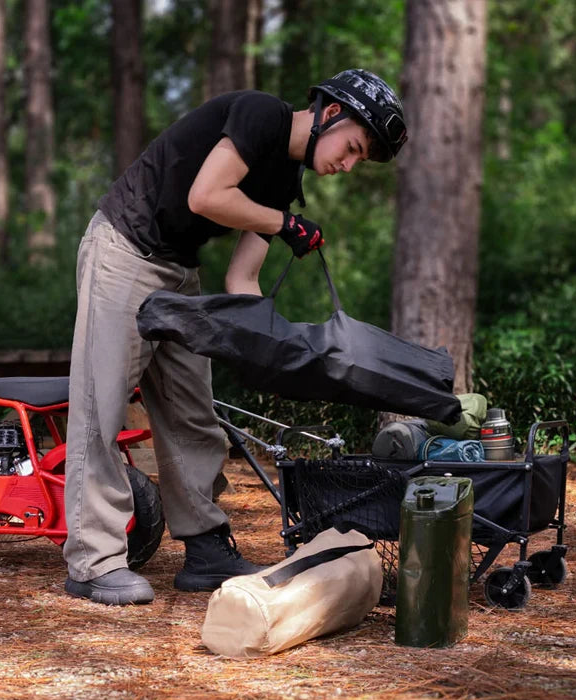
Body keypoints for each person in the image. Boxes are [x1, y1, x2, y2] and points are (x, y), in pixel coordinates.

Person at [63, 69, 408, 605]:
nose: (348, 165)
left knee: (193, 415)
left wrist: (272, 349)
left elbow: (242, 280)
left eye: (358, 160)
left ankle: (205, 548)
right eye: (354, 149)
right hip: (125, 249)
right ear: (331, 113)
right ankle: (93, 561)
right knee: (100, 409)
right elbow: (207, 196)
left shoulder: (284, 181)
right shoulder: (261, 114)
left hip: (179, 272)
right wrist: (283, 225)